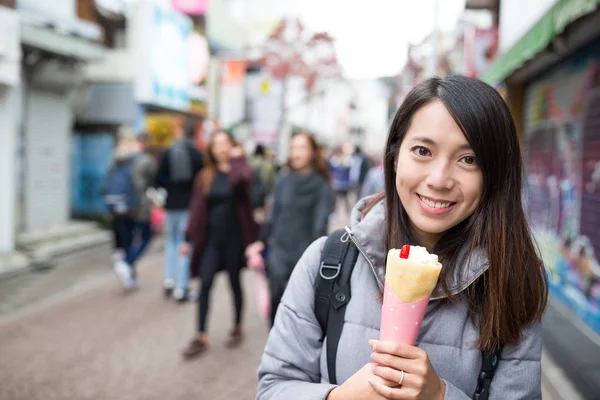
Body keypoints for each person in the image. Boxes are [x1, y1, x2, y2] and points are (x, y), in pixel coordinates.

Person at [257, 76, 549, 399]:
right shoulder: (327, 263)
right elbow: (272, 387)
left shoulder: (514, 280)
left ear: (494, 174)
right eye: (422, 150)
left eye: (468, 159)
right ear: (395, 157)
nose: (439, 179)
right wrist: (338, 397)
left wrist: (440, 395)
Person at [180, 130, 258, 358]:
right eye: (216, 144)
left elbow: (245, 182)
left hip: (234, 239)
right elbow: (196, 209)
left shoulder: (241, 170)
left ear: (232, 146)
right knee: (204, 283)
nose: (221, 148)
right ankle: (201, 334)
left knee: (234, 282)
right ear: (211, 150)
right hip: (211, 240)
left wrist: (235, 160)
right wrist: (187, 238)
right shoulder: (206, 175)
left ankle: (237, 326)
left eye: (225, 143)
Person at [246, 132, 332, 327]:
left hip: (304, 252)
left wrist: (317, 258)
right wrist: (261, 240)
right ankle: (274, 341)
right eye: (293, 148)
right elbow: (273, 214)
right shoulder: (283, 180)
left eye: (301, 148)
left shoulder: (321, 186)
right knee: (275, 297)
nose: (295, 153)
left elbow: (320, 225)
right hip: (279, 249)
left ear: (312, 153)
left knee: (300, 305)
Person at [155, 119, 204, 301]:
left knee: (171, 241)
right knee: (186, 244)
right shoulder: (197, 155)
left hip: (171, 204)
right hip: (189, 206)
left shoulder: (168, 153)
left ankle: (169, 279)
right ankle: (181, 286)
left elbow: (159, 178)